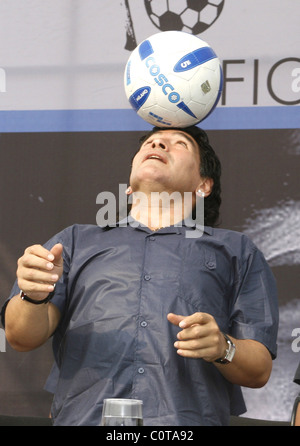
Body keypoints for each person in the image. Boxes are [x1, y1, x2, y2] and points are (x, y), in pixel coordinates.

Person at [1, 125, 279, 426]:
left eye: (180, 143)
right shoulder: (74, 241)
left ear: (203, 184)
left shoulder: (237, 250)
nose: (159, 143)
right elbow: (20, 337)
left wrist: (223, 347)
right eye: (151, 141)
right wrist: (33, 296)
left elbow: (259, 370)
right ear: (129, 186)